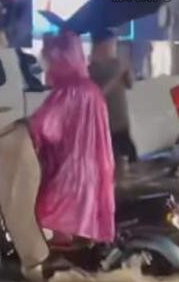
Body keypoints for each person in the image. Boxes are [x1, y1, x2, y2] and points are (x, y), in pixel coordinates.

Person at [30, 30, 115, 246]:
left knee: (51, 222)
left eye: (50, 60)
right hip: (96, 171)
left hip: (71, 173)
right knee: (85, 233)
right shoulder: (92, 90)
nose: (48, 67)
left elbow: (44, 126)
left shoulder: (69, 92)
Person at [88, 28, 137, 164]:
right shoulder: (91, 70)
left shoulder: (116, 64)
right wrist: (116, 78)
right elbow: (96, 96)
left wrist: (128, 72)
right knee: (114, 166)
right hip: (106, 128)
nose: (113, 47)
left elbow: (130, 84)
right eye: (111, 44)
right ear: (101, 45)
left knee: (131, 161)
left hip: (122, 125)